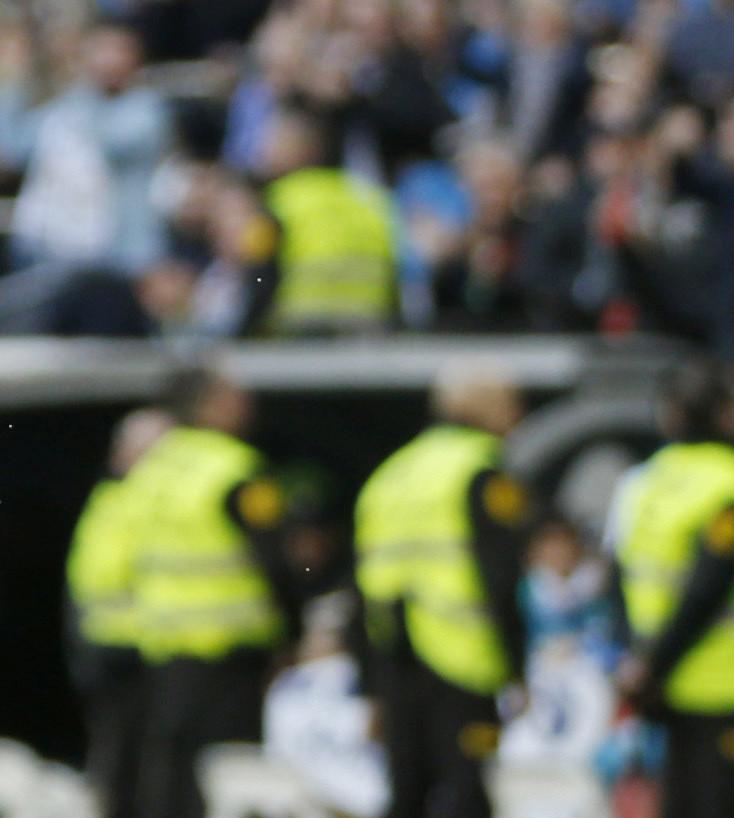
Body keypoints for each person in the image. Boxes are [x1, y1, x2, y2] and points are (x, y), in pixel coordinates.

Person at [352, 368, 530, 818]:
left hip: (395, 661)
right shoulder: (482, 470)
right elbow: (502, 575)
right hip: (463, 662)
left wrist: (370, 683)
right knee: (468, 795)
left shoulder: (390, 475)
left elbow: (363, 587)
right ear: (481, 406)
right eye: (511, 401)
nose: (517, 415)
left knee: (406, 794)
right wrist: (517, 665)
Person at [616, 364, 734, 818]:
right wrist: (655, 663)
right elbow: (708, 587)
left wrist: (641, 663)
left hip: (665, 685)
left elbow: (622, 572)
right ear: (728, 414)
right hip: (731, 684)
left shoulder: (646, 481)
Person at [129, 364, 295, 818]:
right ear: (207, 405)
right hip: (229, 653)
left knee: (171, 773)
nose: (246, 405)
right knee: (229, 781)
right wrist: (292, 631)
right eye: (233, 396)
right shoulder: (235, 468)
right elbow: (278, 560)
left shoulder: (153, 467)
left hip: (164, 647)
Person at [69, 409, 172, 818]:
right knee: (122, 774)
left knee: (154, 776)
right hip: (118, 659)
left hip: (158, 656)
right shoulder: (113, 501)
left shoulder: (126, 502)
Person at [246, 112, 400, 334]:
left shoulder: (279, 198)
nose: (264, 151)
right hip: (368, 321)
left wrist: (247, 328)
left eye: (276, 141)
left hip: (301, 324)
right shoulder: (369, 196)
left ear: (307, 148)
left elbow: (260, 268)